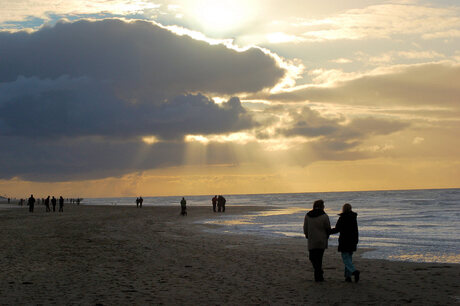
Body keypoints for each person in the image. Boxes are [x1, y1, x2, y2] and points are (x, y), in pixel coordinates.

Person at [330, 203, 360, 283]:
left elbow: (337, 229)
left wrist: (328, 231)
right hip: (352, 240)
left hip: (344, 240)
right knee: (349, 258)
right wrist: (356, 240)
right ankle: (348, 277)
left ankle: (354, 271)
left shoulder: (342, 218)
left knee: (346, 259)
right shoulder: (353, 218)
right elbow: (356, 230)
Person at [303, 199, 331, 282]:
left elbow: (305, 228)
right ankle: (319, 274)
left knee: (312, 257)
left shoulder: (308, 215)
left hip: (312, 239)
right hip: (321, 239)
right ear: (322, 206)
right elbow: (327, 228)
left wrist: (307, 235)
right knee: (319, 258)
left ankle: (318, 274)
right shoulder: (324, 216)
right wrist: (327, 236)